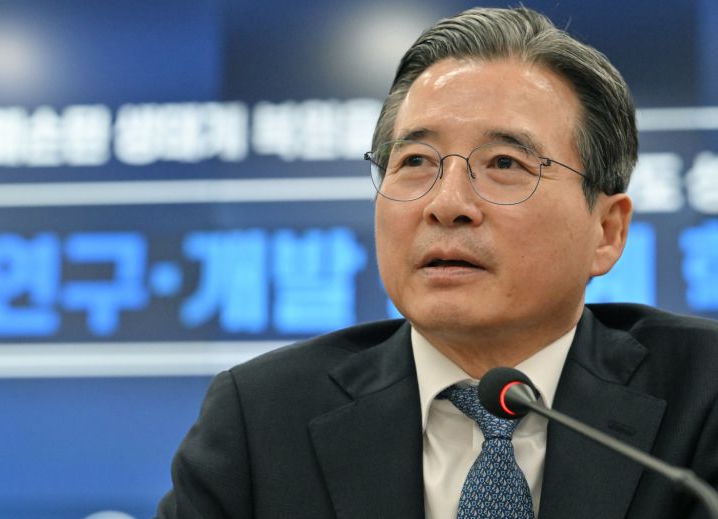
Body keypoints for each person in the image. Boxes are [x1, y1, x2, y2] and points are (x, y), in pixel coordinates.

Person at [156, 6, 718, 519]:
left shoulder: (705, 394)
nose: (446, 204)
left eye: (504, 163)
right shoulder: (262, 418)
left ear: (607, 231)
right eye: (415, 161)